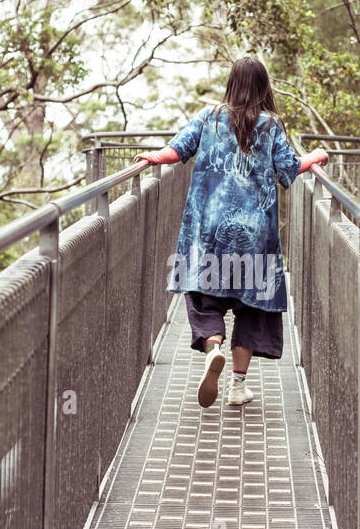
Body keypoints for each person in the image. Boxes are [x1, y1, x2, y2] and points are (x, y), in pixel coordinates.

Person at [134, 55, 328, 408]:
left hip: (208, 232)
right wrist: (314, 156)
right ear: (264, 86)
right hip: (255, 236)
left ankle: (213, 348)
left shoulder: (209, 117)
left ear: (231, 83)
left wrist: (152, 157)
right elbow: (289, 168)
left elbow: (177, 150)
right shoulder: (271, 125)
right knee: (252, 307)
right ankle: (238, 387)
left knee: (203, 297)